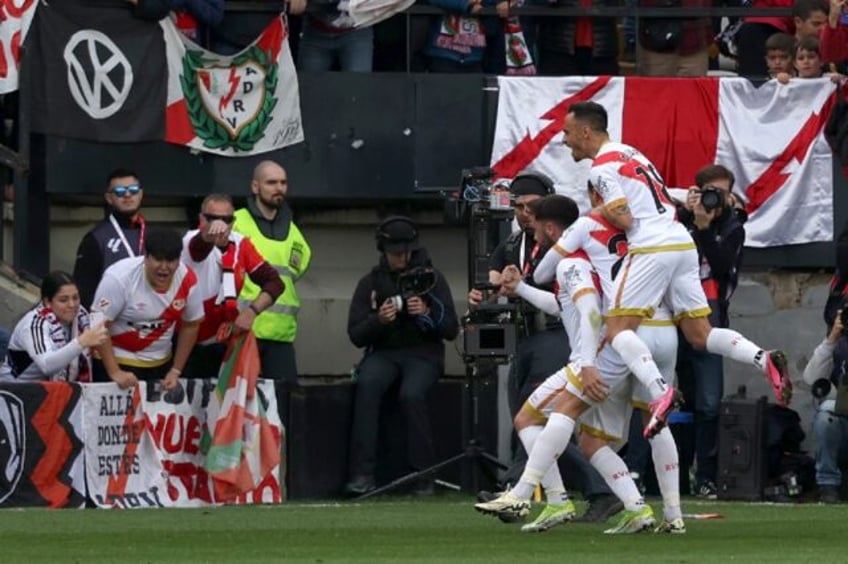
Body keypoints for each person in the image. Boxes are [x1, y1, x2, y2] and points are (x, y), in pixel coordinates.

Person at [552, 101, 791, 437]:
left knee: (619, 330)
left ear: (586, 131)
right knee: (700, 334)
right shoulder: (632, 153)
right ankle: (761, 358)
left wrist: (601, 215)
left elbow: (623, 216)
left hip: (652, 247)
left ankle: (661, 389)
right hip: (681, 242)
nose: (564, 139)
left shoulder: (600, 169)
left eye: (567, 132)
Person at [478, 193, 683, 534]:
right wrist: (521, 289)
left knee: (532, 418)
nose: (533, 236)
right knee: (589, 441)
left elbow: (588, 310)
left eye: (536, 229)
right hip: (626, 346)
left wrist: (586, 363)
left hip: (595, 355)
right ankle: (637, 508)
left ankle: (532, 496)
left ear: (549, 228)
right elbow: (563, 306)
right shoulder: (584, 257)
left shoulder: (572, 263)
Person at [468, 172, 622, 523]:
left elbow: (563, 302)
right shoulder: (512, 245)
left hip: (556, 335)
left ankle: (519, 488)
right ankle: (581, 493)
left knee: (539, 417)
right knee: (530, 420)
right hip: (523, 335)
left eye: (531, 207)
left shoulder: (565, 247)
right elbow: (494, 280)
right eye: (518, 206)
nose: (524, 214)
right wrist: (484, 292)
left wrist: (517, 287)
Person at [343, 216, 459, 496]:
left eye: (406, 252)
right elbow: (356, 334)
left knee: (411, 394)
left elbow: (451, 329)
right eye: (396, 253)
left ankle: (424, 474)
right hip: (385, 351)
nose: (402, 258)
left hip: (423, 353)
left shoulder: (432, 279)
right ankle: (362, 473)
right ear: (384, 251)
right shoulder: (370, 282)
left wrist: (427, 313)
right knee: (368, 384)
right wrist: (379, 320)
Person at [672, 164, 746, 499]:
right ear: (697, 192)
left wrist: (704, 229)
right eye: (709, 192)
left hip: (709, 317)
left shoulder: (733, 225)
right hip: (671, 316)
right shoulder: (679, 219)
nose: (716, 200)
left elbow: (721, 267)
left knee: (708, 403)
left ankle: (706, 476)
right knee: (675, 401)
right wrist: (689, 217)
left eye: (722, 192)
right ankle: (673, 475)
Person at [232, 160, 311, 431]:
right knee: (240, 412)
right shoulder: (237, 223)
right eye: (271, 182)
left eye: (283, 182)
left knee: (282, 415)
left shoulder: (294, 232)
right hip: (244, 332)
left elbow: (296, 271)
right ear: (255, 186)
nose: (279, 188)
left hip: (280, 338)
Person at [181, 194, 285, 379]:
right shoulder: (191, 240)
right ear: (201, 219)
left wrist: (252, 311)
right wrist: (209, 234)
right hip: (187, 340)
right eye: (213, 219)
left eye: (226, 220)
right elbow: (198, 250)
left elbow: (275, 282)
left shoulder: (240, 243)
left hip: (223, 340)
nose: (220, 226)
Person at [91, 228, 204, 391]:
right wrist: (115, 371)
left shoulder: (188, 279)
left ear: (179, 259)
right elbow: (97, 324)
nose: (164, 267)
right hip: (117, 361)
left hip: (161, 364)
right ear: (146, 257)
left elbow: (191, 325)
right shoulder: (119, 278)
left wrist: (176, 370)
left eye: (171, 260)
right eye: (158, 259)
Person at [0, 271, 108, 382]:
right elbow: (47, 365)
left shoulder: (82, 317)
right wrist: (81, 342)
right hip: (15, 391)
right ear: (48, 302)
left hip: (53, 393)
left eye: (75, 298)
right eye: (63, 300)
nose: (72, 305)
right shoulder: (34, 324)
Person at [73, 168, 147, 309]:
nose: (127, 195)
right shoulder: (96, 238)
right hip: (110, 320)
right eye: (119, 191)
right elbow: (84, 290)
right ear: (109, 198)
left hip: (149, 320)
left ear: (141, 194)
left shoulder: (153, 235)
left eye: (133, 189)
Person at [801, 305, 848, 503]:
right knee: (827, 413)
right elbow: (811, 378)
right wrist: (832, 338)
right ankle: (828, 485)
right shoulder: (841, 344)